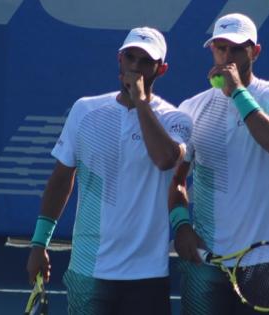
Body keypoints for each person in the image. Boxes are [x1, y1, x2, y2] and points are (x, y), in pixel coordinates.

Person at [27, 26, 192, 315]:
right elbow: (61, 179)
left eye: (145, 61)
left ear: (161, 69)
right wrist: (39, 243)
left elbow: (166, 159)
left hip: (147, 274)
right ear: (119, 59)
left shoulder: (176, 119)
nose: (135, 67)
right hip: (89, 270)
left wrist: (141, 101)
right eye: (130, 57)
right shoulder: (85, 111)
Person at [168, 13, 269, 315]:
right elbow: (176, 180)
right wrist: (181, 225)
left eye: (237, 49)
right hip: (206, 262)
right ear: (211, 49)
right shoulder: (192, 108)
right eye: (220, 48)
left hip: (266, 263)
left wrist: (238, 91)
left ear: (255, 51)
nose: (227, 57)